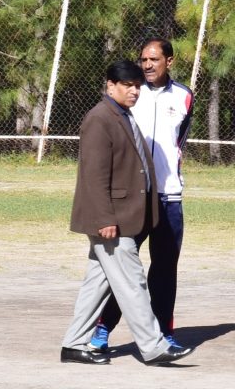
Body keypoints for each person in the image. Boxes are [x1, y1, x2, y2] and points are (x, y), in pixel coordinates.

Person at [61, 60, 194, 366]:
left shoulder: (122, 114)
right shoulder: (100, 119)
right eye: (128, 85)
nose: (134, 91)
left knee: (97, 284)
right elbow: (94, 176)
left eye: (137, 86)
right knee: (133, 282)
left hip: (124, 217)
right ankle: (153, 347)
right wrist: (105, 219)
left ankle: (73, 344)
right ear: (110, 86)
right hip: (113, 220)